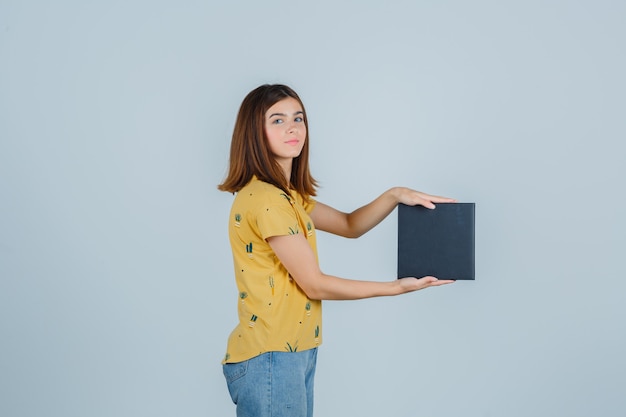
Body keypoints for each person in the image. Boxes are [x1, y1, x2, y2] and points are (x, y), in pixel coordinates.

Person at [218, 84, 455, 417]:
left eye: (298, 118)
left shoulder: (288, 197)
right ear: (254, 133)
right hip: (272, 356)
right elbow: (314, 284)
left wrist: (395, 195)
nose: (292, 127)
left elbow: (349, 225)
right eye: (277, 120)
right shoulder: (268, 201)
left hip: (291, 351)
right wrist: (395, 288)